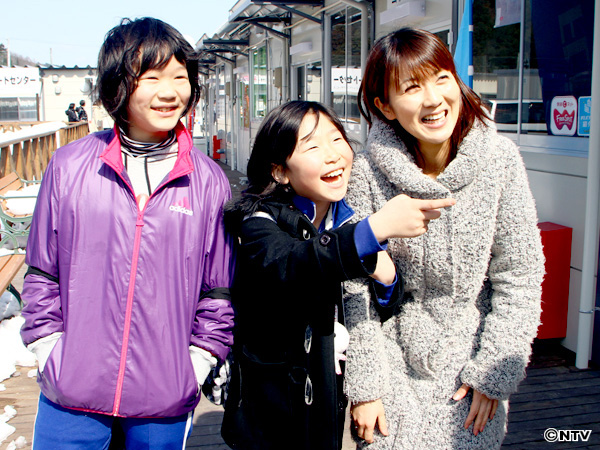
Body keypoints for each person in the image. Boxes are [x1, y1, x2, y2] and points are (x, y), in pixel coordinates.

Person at [20, 17, 234, 449]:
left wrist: (195, 364)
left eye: (180, 77)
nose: (170, 92)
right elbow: (41, 272)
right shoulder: (69, 166)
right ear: (118, 85)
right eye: (151, 78)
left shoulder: (209, 181)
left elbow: (219, 290)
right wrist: (48, 349)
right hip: (71, 393)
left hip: (163, 398)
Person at [342, 28, 545, 449]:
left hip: (471, 364)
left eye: (442, 79)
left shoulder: (499, 161)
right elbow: (355, 285)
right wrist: (366, 386)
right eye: (412, 87)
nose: (433, 99)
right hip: (391, 362)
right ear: (385, 105)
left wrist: (493, 372)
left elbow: (520, 274)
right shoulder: (367, 173)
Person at [221, 100, 455, 450]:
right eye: (312, 147)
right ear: (280, 171)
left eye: (336, 139)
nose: (332, 155)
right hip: (268, 410)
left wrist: (388, 279)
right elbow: (292, 263)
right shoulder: (259, 222)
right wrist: (372, 231)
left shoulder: (347, 219)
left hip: (326, 401)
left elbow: (379, 309)